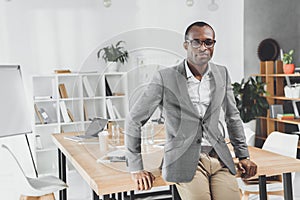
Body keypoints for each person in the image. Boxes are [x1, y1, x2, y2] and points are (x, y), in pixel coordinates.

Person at [125, 21, 257, 200]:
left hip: (219, 158)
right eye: (196, 42)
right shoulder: (165, 77)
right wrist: (136, 168)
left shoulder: (222, 73)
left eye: (208, 42)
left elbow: (232, 117)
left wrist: (243, 155)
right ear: (186, 45)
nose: (203, 47)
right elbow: (134, 119)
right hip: (183, 160)